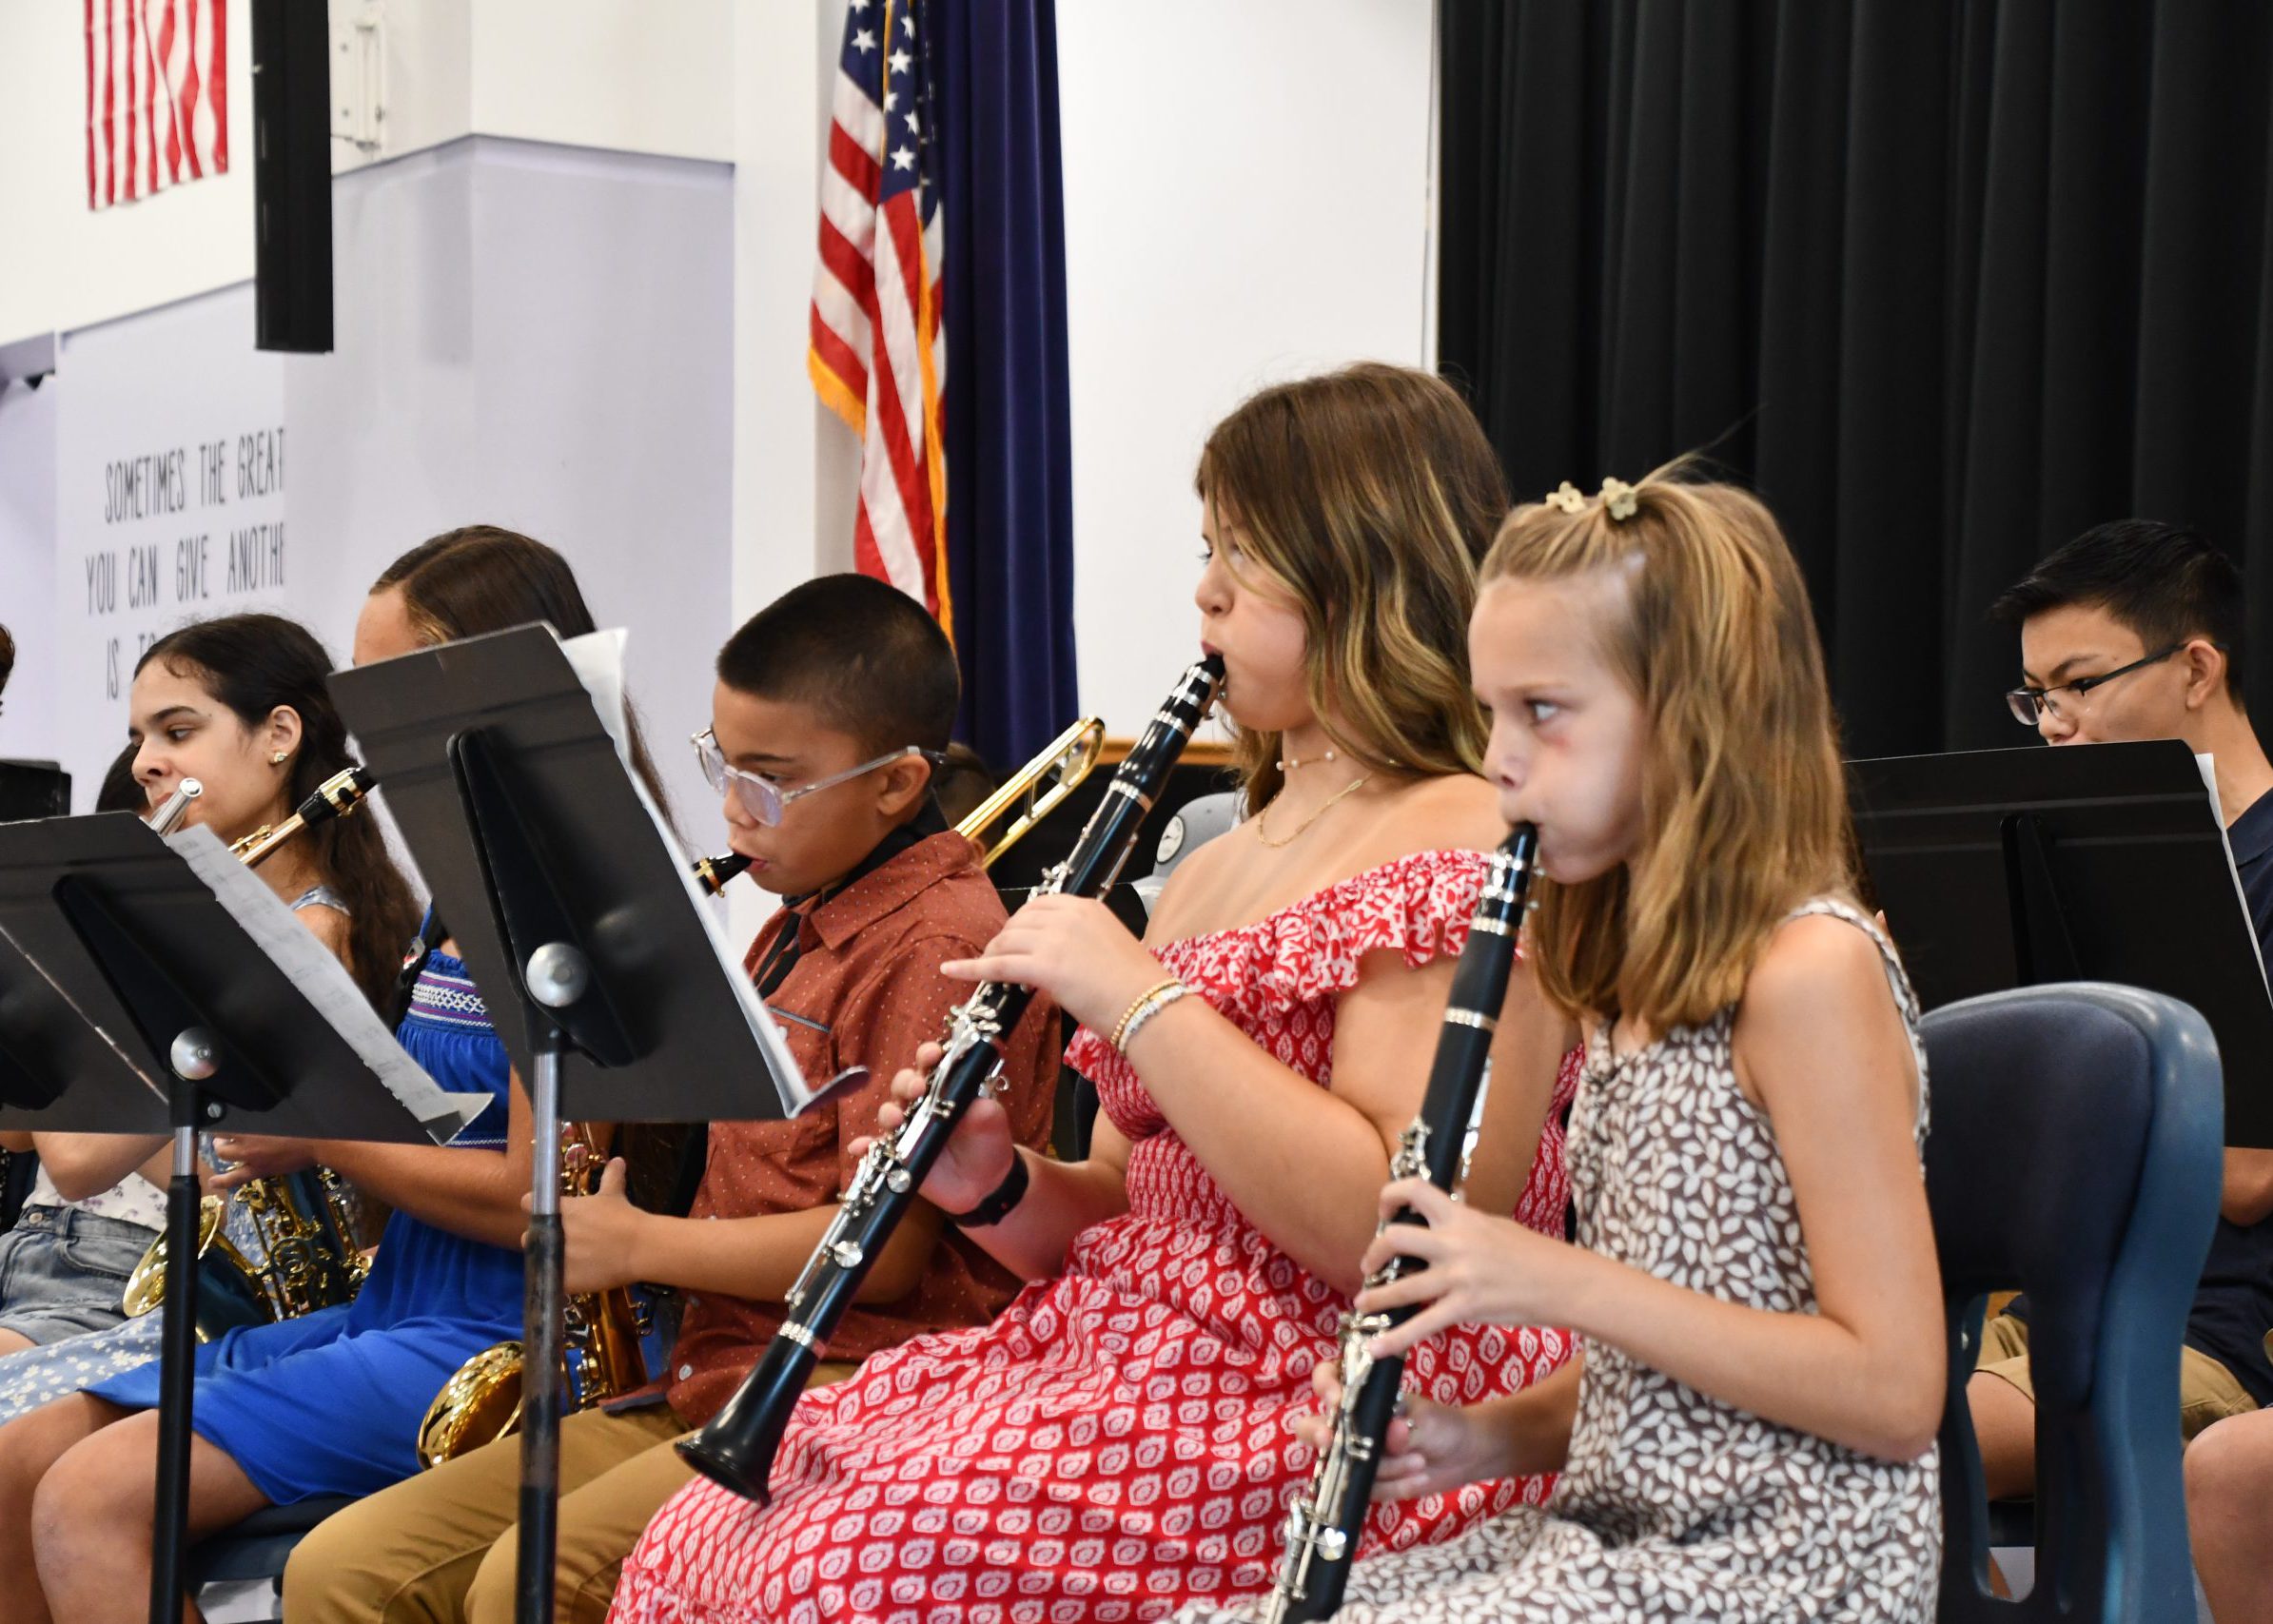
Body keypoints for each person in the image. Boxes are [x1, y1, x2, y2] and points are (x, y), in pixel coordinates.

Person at [609, 362, 1581, 1624]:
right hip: (1133, 1355)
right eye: (1206, 546)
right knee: (702, 1533)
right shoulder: (1213, 860)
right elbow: (1130, 1209)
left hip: (1342, 1390)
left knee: (831, 1571)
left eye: (1247, 553)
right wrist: (991, 1179)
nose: (1207, 590)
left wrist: (1137, 1000)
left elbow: (1395, 1230)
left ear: (1364, 576)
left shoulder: (1467, 838)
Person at [1184, 468, 1945, 1623]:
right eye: (1492, 712)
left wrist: (1555, 1276)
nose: (1497, 759)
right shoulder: (1624, 985)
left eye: (1542, 711)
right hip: (1617, 1532)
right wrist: (1477, 1441)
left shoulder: (1808, 974)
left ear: (1695, 713)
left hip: (1782, 1558)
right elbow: (1669, 1357)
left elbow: (1893, 1390)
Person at [284, 572, 1061, 1624]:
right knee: (341, 1569)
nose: (737, 810)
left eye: (773, 782)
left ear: (896, 784)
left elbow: (884, 1254)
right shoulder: (799, 910)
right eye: (723, 766)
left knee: (530, 1583)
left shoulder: (938, 946)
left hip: (856, 1382)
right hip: (711, 1373)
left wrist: (642, 1246)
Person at [0, 530, 637, 1624]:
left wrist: (323, 1139)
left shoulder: (568, 900)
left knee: (87, 1503)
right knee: (25, 1449)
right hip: (395, 1306)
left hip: (492, 1335)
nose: (368, 728)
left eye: (386, 688)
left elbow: (540, 1203)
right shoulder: (458, 901)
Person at [0, 615, 418, 1383]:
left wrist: (79, 974)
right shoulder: (215, 919)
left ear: (279, 735)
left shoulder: (309, 931)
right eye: (140, 737)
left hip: (221, 1313)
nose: (147, 762)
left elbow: (84, 1157)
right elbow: (22, 1134)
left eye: (178, 731)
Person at [1966, 521, 2273, 1500]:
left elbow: (2246, 1178)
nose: (2055, 722)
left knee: (1892, 1444)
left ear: (2194, 668)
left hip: (2203, 1331)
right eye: (2037, 697)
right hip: (2045, 1306)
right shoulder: (2068, 875)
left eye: (2080, 684)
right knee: (1757, 1404)